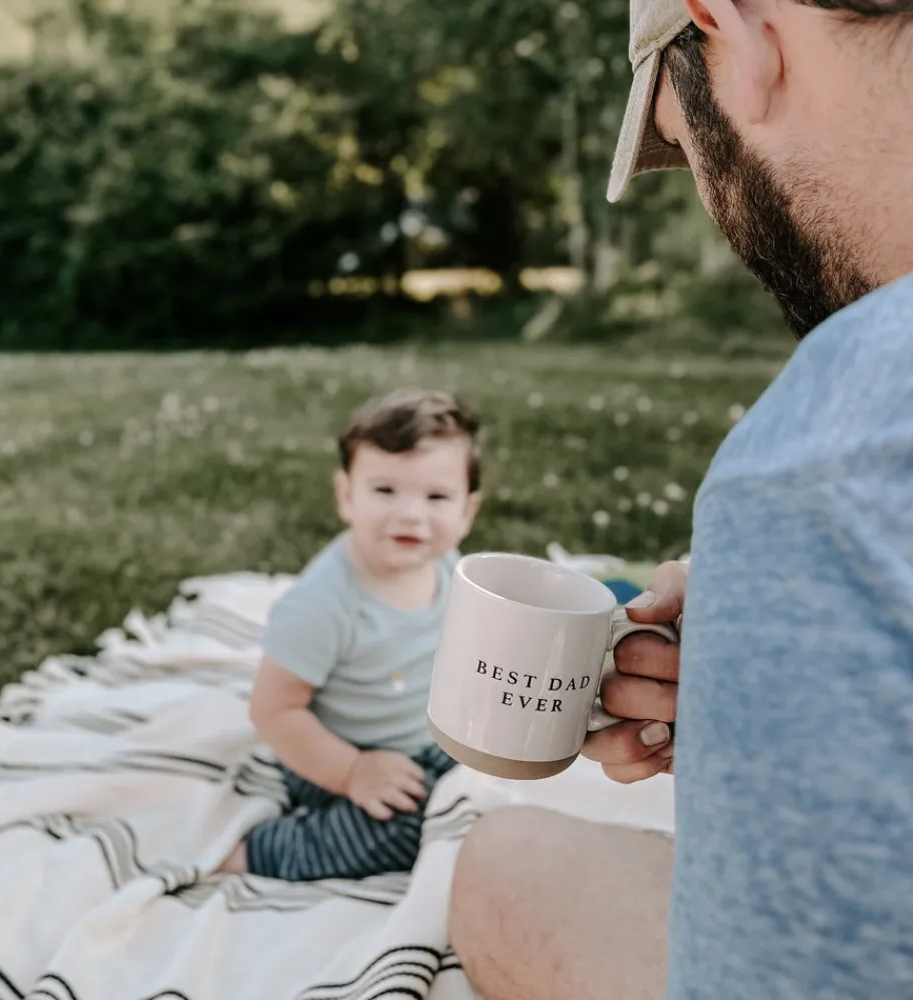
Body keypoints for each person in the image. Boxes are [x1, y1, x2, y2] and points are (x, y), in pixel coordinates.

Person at [448, 1, 913, 998]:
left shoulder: (822, 469)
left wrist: (804, 569)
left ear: (730, 30)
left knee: (505, 867)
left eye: (681, 139)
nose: (712, 199)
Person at [218, 387, 482, 881]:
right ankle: (265, 852)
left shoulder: (449, 568)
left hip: (425, 739)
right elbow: (273, 710)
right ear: (346, 496)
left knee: (492, 787)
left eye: (436, 497)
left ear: (467, 511)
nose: (411, 514)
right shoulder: (324, 603)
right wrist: (352, 771)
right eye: (385, 491)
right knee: (409, 828)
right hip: (333, 755)